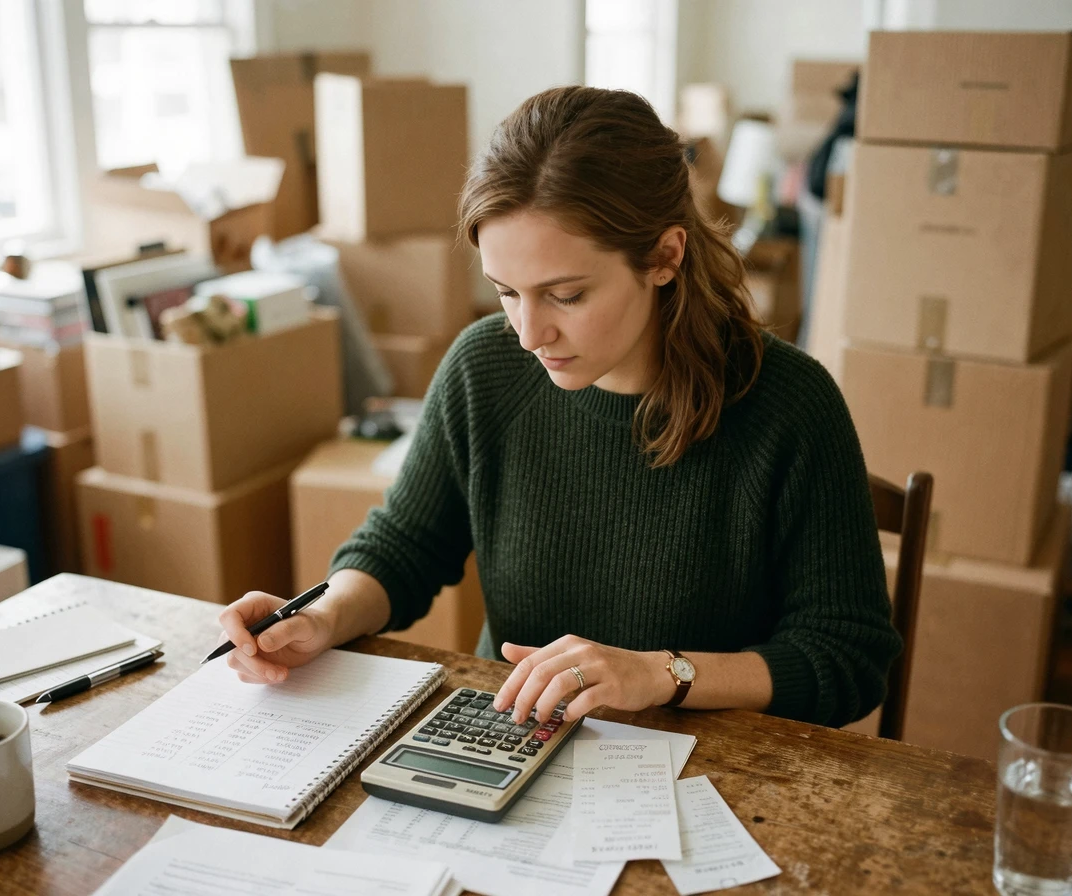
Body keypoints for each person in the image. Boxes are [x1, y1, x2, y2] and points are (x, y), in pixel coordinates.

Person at [217, 86, 901, 731]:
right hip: (518, 743)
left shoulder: (788, 405)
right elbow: (407, 545)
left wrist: (662, 675)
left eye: (566, 295)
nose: (528, 333)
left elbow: (848, 659)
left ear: (664, 256)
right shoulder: (485, 366)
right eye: (506, 291)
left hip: (715, 776)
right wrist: (325, 616)